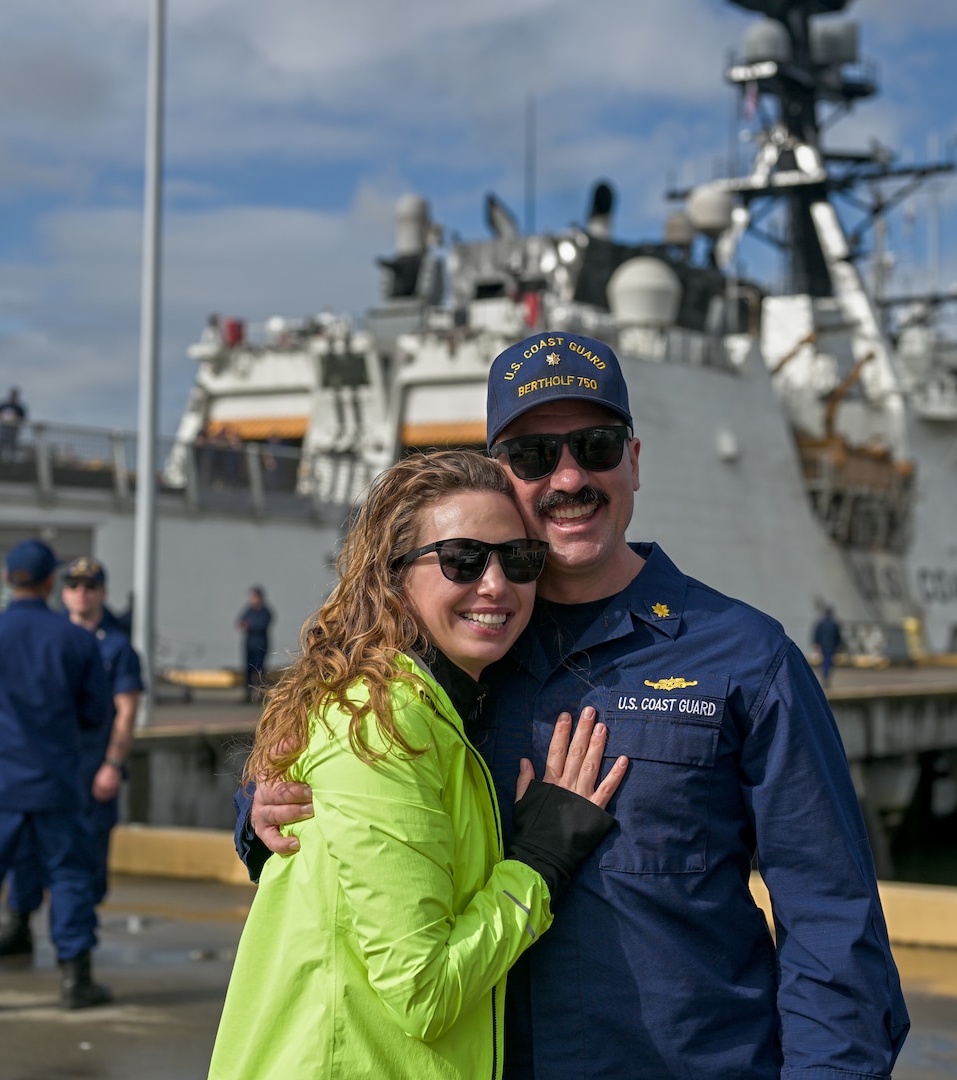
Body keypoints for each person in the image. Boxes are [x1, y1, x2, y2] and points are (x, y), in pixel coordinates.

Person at [241, 333, 909, 1078]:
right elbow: (352, 794)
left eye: (594, 446)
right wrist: (265, 811)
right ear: (502, 475)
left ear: (633, 461)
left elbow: (831, 919)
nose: (568, 478)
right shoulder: (441, 662)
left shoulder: (747, 660)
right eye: (533, 456)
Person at [207, 451, 627, 1079]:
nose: (495, 584)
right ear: (394, 576)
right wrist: (540, 861)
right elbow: (423, 991)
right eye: (463, 559)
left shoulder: (427, 702)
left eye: (519, 560)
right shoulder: (383, 724)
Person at [0, 539, 115, 1015]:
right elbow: (98, 712)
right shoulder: (75, 640)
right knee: (69, 876)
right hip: (55, 779)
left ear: (7, 580)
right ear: (50, 582)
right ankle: (75, 979)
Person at [0, 556, 143, 958]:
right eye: (73, 586)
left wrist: (112, 764)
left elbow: (125, 710)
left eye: (90, 586)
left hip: (92, 769)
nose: (81, 593)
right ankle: (18, 924)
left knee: (84, 858)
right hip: (47, 769)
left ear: (102, 592)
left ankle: (77, 944)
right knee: (25, 852)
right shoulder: (49, 635)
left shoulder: (117, 646)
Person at [235, 586, 272, 703]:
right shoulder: (249, 610)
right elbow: (240, 621)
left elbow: (261, 625)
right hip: (249, 645)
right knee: (248, 670)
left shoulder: (265, 611)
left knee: (260, 669)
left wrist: (250, 625)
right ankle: (248, 694)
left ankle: (261, 693)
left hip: (260, 645)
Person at [0, 387, 26, 463]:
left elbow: (23, 418)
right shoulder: (3, 405)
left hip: (13, 429)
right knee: (1, 443)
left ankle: (12, 460)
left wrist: (16, 419)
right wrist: (0, 417)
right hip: (3, 427)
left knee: (12, 445)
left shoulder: (18, 408)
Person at [813, 604, 843, 687]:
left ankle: (824, 675)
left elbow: (817, 634)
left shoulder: (821, 623)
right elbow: (838, 636)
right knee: (829, 661)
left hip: (823, 645)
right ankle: (826, 676)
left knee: (824, 661)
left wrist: (816, 643)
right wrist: (839, 645)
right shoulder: (834, 624)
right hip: (831, 646)